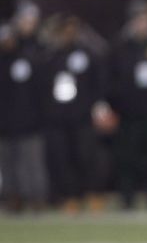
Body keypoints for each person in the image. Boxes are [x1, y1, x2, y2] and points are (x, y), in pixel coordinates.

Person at [40, 15, 106, 214]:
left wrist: (94, 105)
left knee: (86, 156)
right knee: (63, 158)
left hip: (82, 116)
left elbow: (98, 82)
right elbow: (42, 87)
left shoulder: (87, 54)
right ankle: (70, 196)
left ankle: (92, 194)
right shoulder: (50, 56)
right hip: (58, 118)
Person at [108, 0, 147, 209]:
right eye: (140, 19)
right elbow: (112, 77)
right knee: (127, 157)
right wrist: (117, 103)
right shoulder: (121, 45)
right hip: (129, 112)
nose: (144, 23)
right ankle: (127, 198)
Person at [0, 22, 47, 212]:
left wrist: (39, 117)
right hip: (4, 125)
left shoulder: (28, 60)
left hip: (29, 123)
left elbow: (39, 92)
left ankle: (36, 199)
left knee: (32, 164)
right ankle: (13, 199)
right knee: (8, 166)